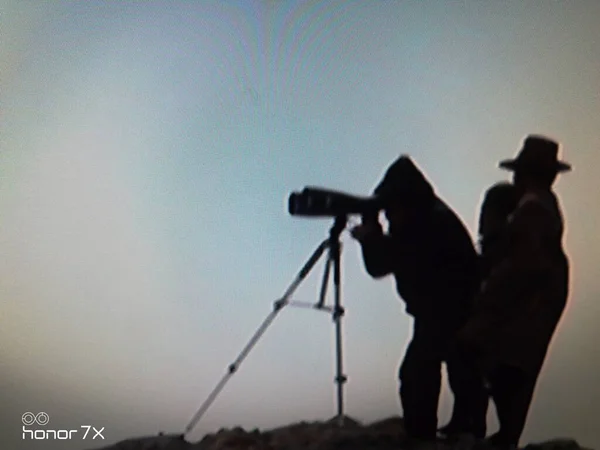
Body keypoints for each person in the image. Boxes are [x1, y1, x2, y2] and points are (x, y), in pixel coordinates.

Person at [350, 155, 481, 448]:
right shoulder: (424, 218)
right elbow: (386, 263)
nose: (388, 215)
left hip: (450, 309)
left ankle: (436, 434)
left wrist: (371, 238)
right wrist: (373, 235)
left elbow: (386, 263)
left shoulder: (428, 224)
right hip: (440, 311)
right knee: (437, 372)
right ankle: (447, 431)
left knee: (428, 373)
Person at [458, 135, 572, 450]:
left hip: (525, 304)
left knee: (492, 359)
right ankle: (503, 434)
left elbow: (523, 265)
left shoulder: (532, 210)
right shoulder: (538, 207)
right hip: (532, 300)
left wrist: (490, 298)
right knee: (512, 368)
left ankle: (493, 433)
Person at [438, 181, 520, 441]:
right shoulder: (497, 246)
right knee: (467, 366)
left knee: (475, 367)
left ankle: (475, 426)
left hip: (495, 321)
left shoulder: (507, 246)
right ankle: (468, 422)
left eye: (489, 210)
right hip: (485, 317)